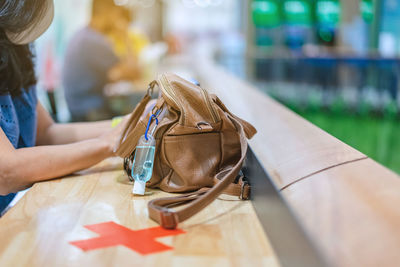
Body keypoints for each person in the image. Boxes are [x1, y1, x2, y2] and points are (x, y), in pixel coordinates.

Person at [0, 0, 129, 214]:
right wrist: (107, 144)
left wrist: (126, 123)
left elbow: (46, 133)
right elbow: (6, 171)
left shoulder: (16, 49)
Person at [62, 0, 141, 122]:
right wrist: (125, 35)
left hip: (77, 110)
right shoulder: (95, 41)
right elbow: (134, 72)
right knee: (138, 116)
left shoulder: (81, 35)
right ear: (107, 13)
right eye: (116, 15)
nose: (117, 20)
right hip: (90, 112)